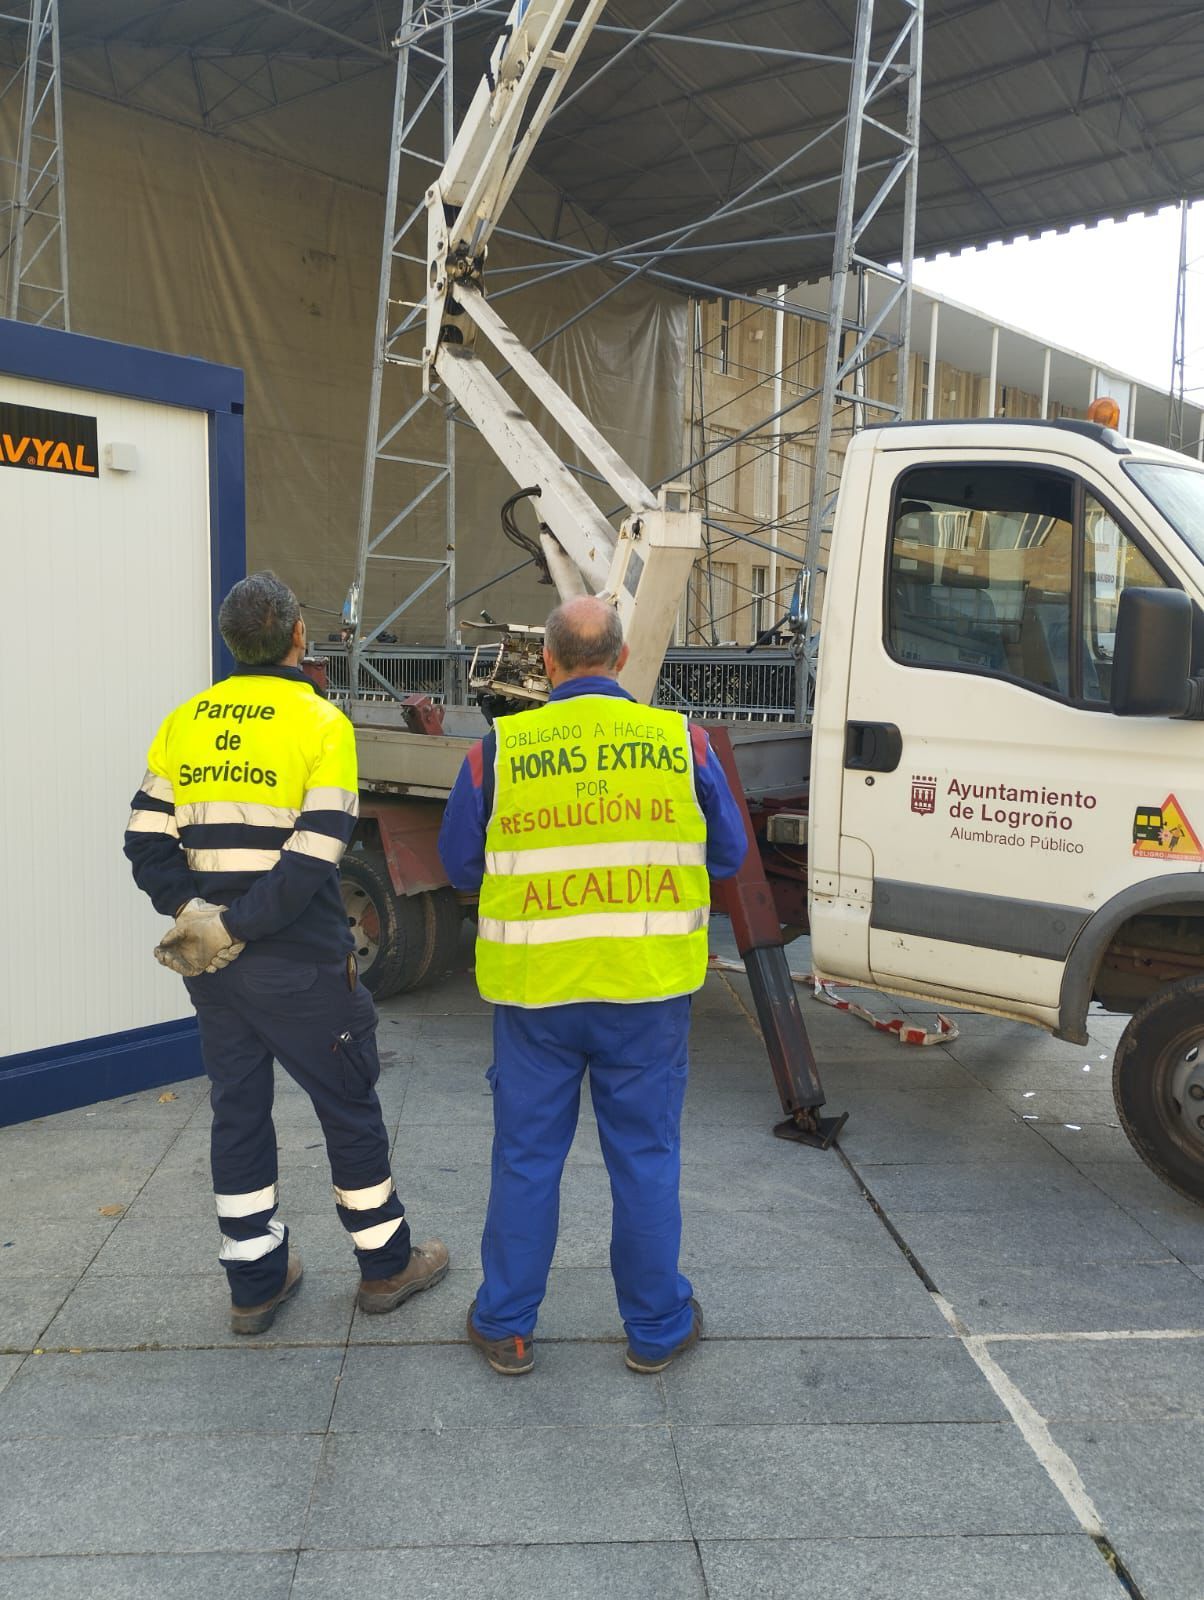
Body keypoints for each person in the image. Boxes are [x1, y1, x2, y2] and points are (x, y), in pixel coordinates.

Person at [124, 571, 448, 1334]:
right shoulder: (321, 724)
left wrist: (196, 915)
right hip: (301, 966)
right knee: (347, 1105)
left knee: (238, 1114)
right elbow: (313, 857)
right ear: (299, 637)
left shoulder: (185, 722)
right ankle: (386, 1266)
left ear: (230, 640)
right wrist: (242, 925)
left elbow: (144, 840)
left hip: (215, 972)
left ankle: (255, 1284)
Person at [438, 595, 747, 1375]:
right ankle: (656, 1330)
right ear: (619, 660)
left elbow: (460, 867)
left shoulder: (498, 751)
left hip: (536, 994)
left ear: (546, 662)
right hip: (645, 993)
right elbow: (730, 856)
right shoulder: (684, 743)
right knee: (645, 1160)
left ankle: (506, 1326)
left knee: (525, 1161)